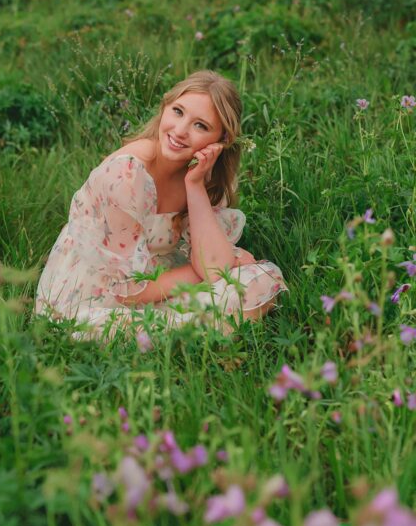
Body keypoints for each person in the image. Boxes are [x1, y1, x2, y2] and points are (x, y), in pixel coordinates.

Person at [35, 70, 287, 339]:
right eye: (178, 111)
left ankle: (184, 332)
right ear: (165, 107)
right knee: (92, 326)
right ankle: (202, 331)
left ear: (221, 141)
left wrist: (195, 186)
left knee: (264, 278)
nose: (180, 131)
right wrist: (196, 271)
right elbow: (126, 293)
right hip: (94, 299)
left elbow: (214, 269)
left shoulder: (203, 172)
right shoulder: (127, 174)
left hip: (158, 284)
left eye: (200, 125)